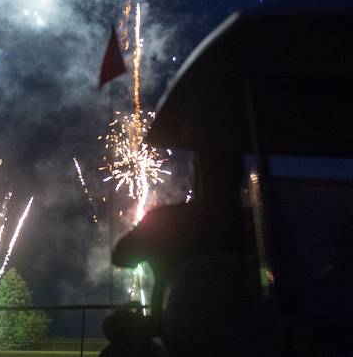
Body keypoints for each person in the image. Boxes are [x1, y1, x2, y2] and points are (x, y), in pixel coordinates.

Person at [100, 151, 249, 356]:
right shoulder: (257, 223)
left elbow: (121, 257)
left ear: (197, 176)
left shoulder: (165, 220)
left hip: (172, 332)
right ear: (240, 178)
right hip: (245, 335)